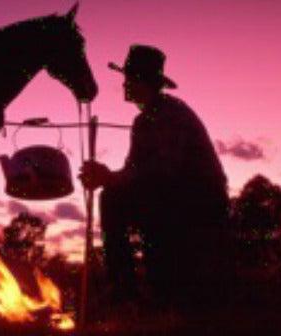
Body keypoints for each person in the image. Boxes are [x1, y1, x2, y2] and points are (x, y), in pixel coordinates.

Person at [79, 45, 231, 310]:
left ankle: (144, 289)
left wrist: (110, 178)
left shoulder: (172, 113)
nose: (124, 84)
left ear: (142, 82)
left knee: (132, 198)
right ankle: (125, 287)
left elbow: (164, 171)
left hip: (201, 199)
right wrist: (107, 177)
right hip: (172, 193)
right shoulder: (143, 123)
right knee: (114, 197)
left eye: (129, 79)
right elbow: (134, 171)